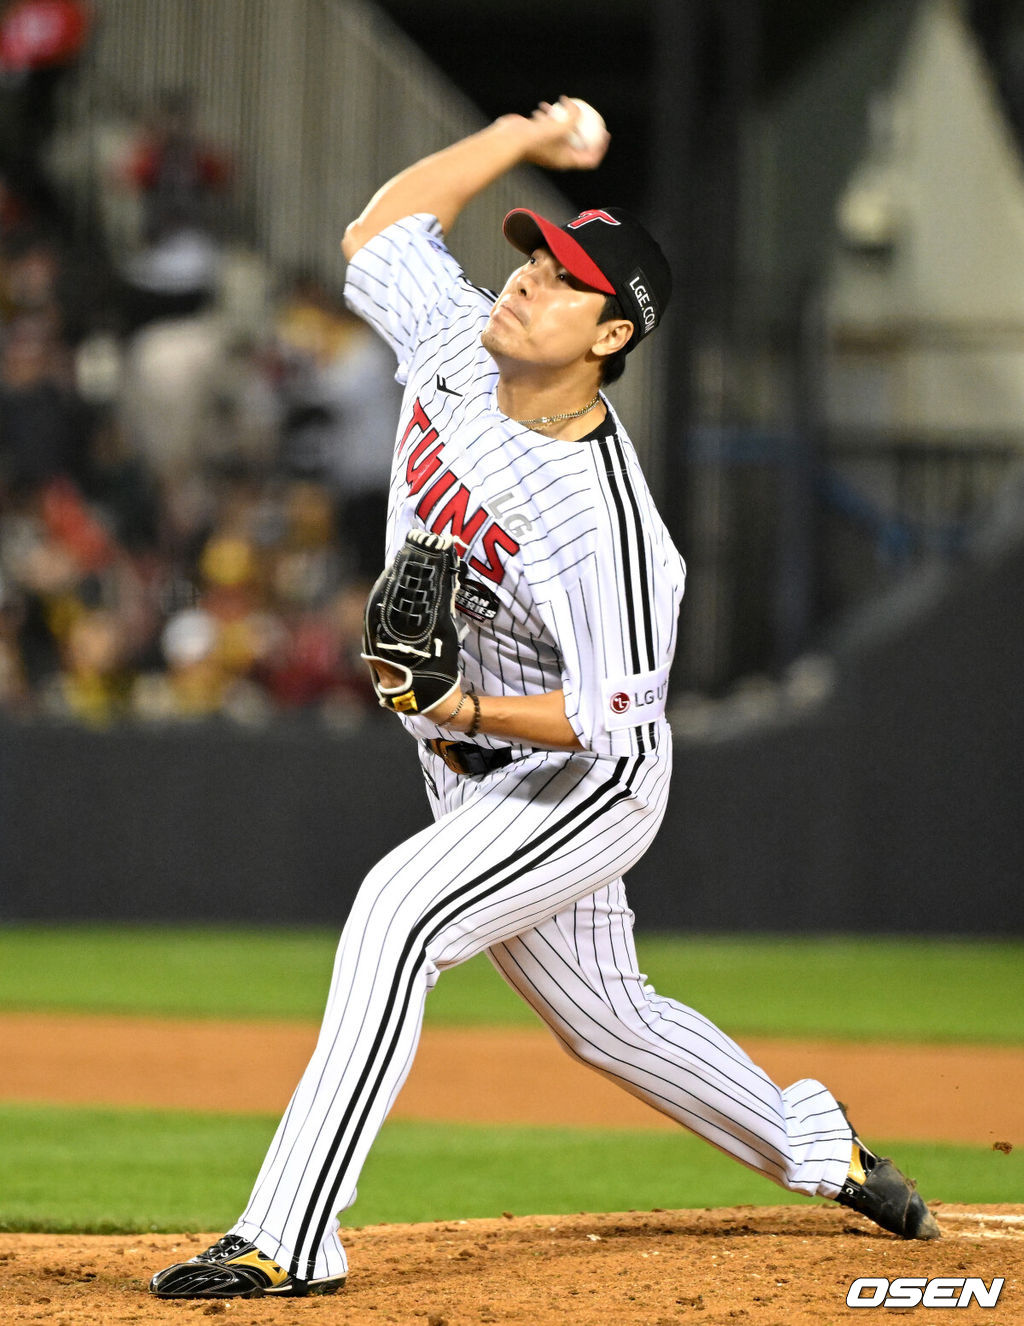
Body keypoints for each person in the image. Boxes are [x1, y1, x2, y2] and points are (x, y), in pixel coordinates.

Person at [149, 98, 939, 1301]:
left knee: (397, 915)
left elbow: (613, 723)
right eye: (530, 258)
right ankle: (824, 1151)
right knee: (607, 1023)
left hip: (582, 777)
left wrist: (457, 707)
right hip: (472, 755)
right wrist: (515, 138)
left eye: (560, 282)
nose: (522, 283)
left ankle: (288, 1238)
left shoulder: (608, 528)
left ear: (611, 334)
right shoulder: (457, 343)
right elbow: (380, 229)